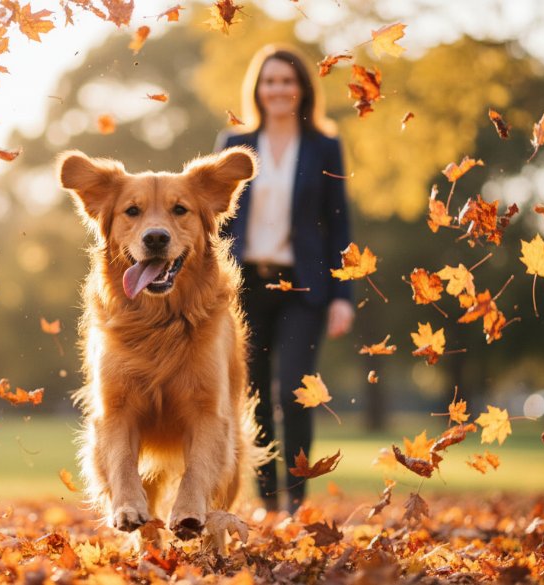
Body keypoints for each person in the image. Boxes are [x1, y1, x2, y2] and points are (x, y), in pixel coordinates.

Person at [217, 44, 354, 514]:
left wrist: (343, 295)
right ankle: (267, 502)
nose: (278, 89)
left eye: (287, 81)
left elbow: (339, 224)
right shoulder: (233, 143)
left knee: (295, 391)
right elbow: (214, 221)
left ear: (302, 89)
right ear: (258, 88)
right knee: (249, 395)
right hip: (243, 287)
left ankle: (295, 502)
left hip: (303, 288)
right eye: (270, 81)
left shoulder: (324, 146)